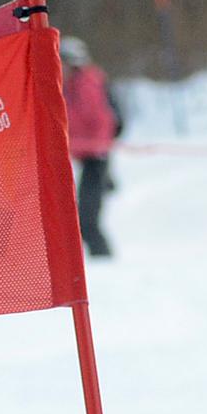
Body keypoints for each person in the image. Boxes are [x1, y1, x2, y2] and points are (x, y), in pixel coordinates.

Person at [60, 35, 121, 259]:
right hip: (88, 156)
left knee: (87, 221)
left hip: (96, 156)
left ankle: (105, 262)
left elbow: (101, 120)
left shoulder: (86, 84)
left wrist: (97, 146)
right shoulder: (70, 85)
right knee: (84, 219)